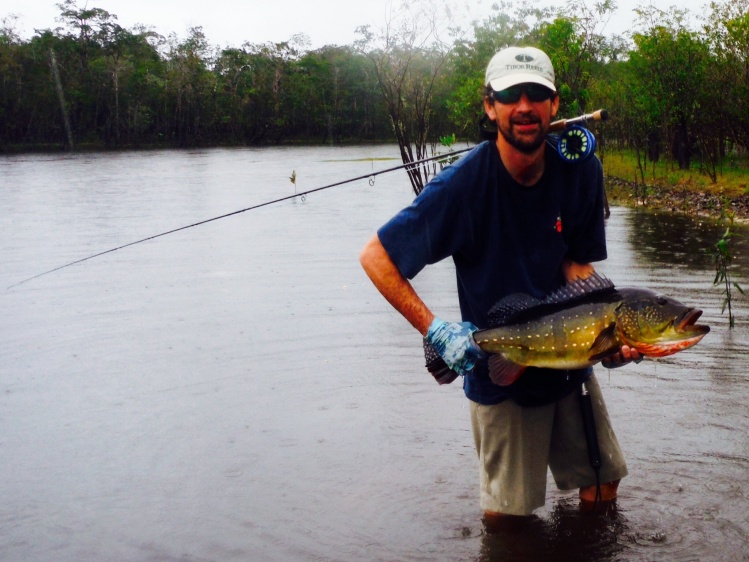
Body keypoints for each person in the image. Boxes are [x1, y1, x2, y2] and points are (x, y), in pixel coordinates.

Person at [359, 46, 640, 529]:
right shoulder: (461, 189)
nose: (525, 106)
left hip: (569, 362)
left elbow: (576, 262)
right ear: (491, 107)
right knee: (509, 518)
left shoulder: (581, 169)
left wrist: (611, 329)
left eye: (537, 94)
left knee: (603, 481)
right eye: (511, 95)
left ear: (555, 105)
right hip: (501, 370)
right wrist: (436, 331)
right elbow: (376, 257)